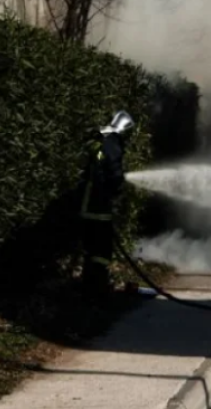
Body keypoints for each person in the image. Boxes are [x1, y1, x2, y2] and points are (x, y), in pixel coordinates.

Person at [78, 110, 135, 297]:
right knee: (102, 250)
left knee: (91, 248)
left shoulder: (101, 139)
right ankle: (97, 287)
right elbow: (114, 171)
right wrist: (118, 187)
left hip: (88, 201)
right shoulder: (113, 143)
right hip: (99, 204)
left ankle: (88, 286)